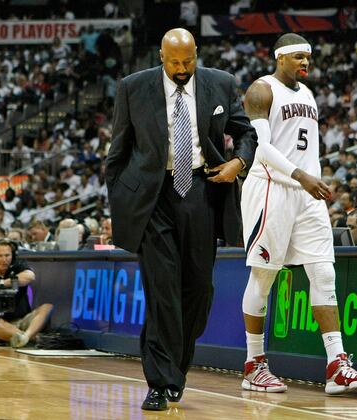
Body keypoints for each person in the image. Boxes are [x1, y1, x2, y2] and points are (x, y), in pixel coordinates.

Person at [106, 28, 257, 410]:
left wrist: (237, 163)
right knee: (162, 292)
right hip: (154, 198)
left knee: (198, 291)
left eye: (187, 61)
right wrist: (125, 199)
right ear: (161, 57)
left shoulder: (219, 83)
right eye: (174, 62)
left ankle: (177, 367)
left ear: (196, 55)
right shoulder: (132, 88)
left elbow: (245, 133)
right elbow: (118, 152)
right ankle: (159, 381)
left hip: (202, 193)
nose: (181, 68)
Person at [240, 33, 357, 395]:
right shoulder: (261, 90)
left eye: (308, 58)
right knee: (264, 277)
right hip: (272, 189)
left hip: (307, 194)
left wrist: (308, 179)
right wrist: (301, 176)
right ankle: (254, 364)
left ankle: (337, 365)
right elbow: (264, 148)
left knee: (324, 273)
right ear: (280, 57)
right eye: (299, 57)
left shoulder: (308, 94)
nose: (305, 64)